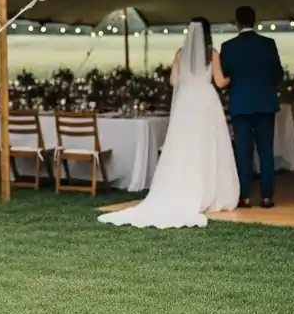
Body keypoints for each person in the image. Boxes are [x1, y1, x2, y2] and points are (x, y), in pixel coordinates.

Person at [98, 18, 239, 228]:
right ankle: (210, 191)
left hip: (185, 104)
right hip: (206, 102)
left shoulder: (181, 54)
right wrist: (233, 77)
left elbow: (173, 81)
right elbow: (219, 82)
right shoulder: (213, 54)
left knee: (182, 148)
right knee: (208, 146)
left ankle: (180, 189)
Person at [219, 5, 285, 208]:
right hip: (265, 103)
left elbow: (224, 77)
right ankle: (267, 196)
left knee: (243, 152)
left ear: (237, 23)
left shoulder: (228, 47)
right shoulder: (268, 44)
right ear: (254, 21)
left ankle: (244, 196)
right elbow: (278, 74)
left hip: (240, 104)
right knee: (266, 151)